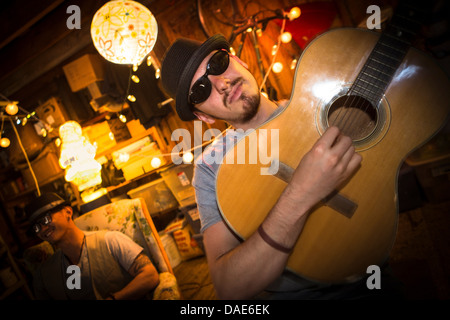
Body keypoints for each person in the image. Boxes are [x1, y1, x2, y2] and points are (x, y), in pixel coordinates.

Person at [160, 34, 403, 299]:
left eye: (217, 64)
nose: (221, 84)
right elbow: (229, 288)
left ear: (238, 60)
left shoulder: (319, 106)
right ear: (204, 116)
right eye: (201, 90)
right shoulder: (210, 167)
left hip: (371, 277)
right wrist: (300, 194)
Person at [24, 192, 160, 300]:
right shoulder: (45, 274)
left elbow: (150, 275)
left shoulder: (110, 241)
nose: (42, 229)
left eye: (46, 220)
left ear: (68, 212)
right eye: (36, 227)